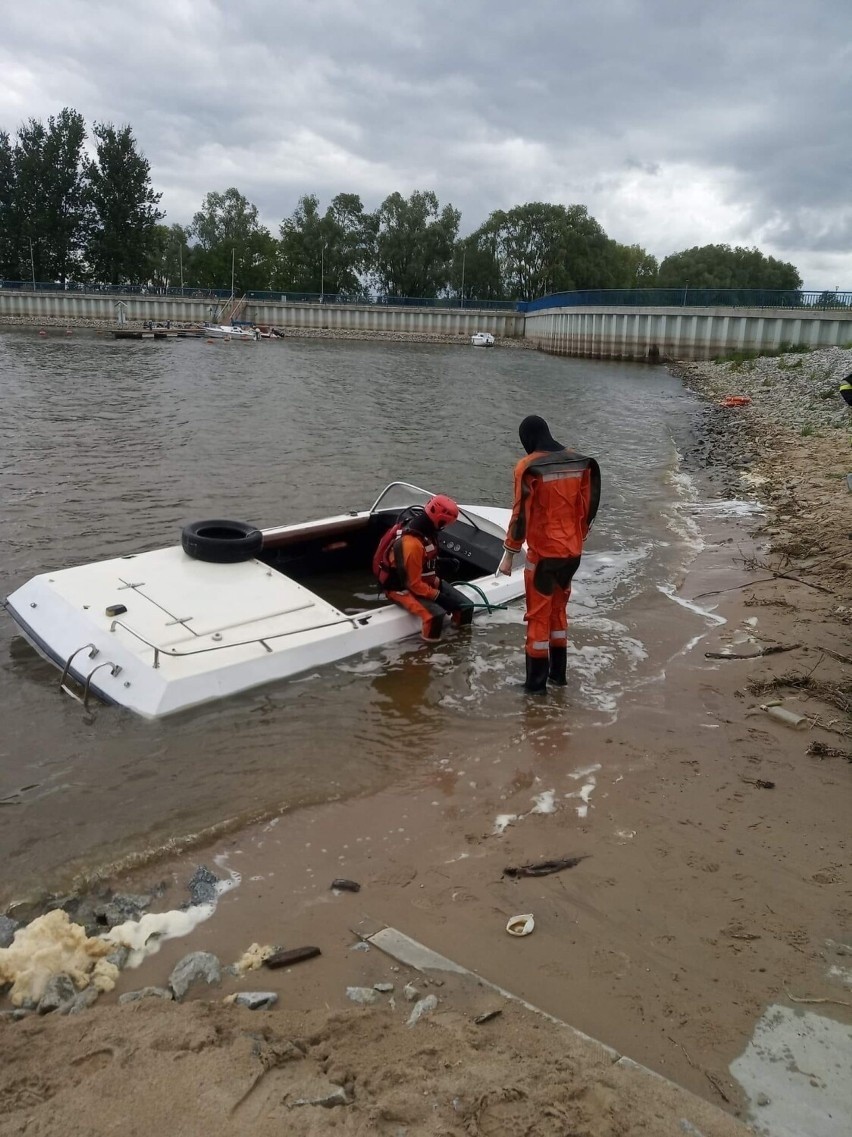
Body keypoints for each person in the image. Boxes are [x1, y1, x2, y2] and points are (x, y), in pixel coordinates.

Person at [498, 415, 601, 693]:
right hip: (572, 553)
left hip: (544, 556)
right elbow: (587, 504)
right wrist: (581, 535)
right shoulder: (578, 462)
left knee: (538, 617)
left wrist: (509, 553)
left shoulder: (528, 467)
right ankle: (558, 675)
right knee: (558, 613)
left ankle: (535, 686)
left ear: (527, 439)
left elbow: (521, 515)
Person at [375, 495, 474, 642]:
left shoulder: (426, 531)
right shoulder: (411, 544)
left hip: (424, 580)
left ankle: (459, 644)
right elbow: (413, 584)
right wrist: (439, 597)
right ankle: (427, 657)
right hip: (401, 588)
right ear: (441, 520)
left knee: (466, 607)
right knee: (434, 617)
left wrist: (441, 562)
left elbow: (423, 558)